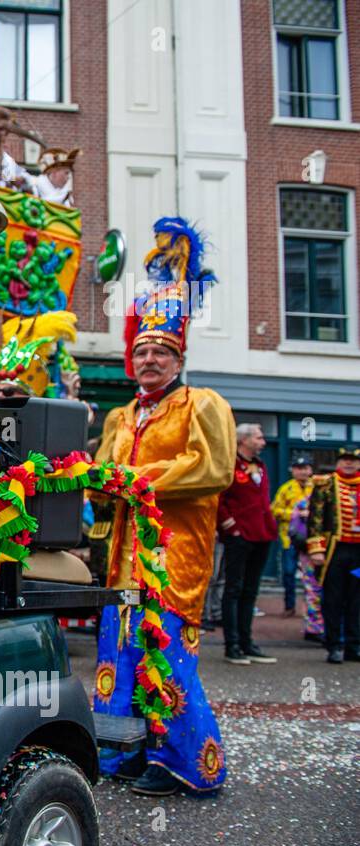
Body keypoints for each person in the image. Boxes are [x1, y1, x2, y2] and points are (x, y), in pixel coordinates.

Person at [93, 217, 234, 797]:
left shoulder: (203, 404)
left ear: (177, 358)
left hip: (173, 564)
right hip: (120, 566)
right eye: (142, 350)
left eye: (160, 351)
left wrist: (136, 479)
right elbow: (104, 479)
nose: (148, 359)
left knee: (168, 663)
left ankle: (180, 762)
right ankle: (122, 751)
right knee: (116, 664)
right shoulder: (120, 416)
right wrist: (102, 482)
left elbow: (213, 469)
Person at [216, 424, 278, 664]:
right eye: (259, 437)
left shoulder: (260, 466)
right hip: (240, 536)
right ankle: (232, 645)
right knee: (233, 589)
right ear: (244, 440)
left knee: (251, 591)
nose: (263, 441)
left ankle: (247, 641)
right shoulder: (230, 465)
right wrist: (232, 527)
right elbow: (219, 499)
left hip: (262, 534)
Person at [307, 447, 360, 664]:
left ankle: (353, 645)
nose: (349, 464)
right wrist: (317, 549)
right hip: (334, 553)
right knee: (333, 598)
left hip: (358, 553)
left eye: (353, 461)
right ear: (338, 463)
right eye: (345, 460)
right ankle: (334, 645)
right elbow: (316, 518)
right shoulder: (326, 484)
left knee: (356, 598)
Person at [271, 456, 314, 617]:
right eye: (298, 468)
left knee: (311, 575)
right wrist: (295, 514)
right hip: (289, 538)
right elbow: (274, 510)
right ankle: (289, 606)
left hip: (311, 540)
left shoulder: (316, 487)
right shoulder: (286, 488)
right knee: (288, 573)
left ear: (310, 470)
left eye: (305, 468)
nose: (302, 471)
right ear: (293, 470)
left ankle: (310, 608)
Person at [288, 494, 324, 643]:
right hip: (310, 553)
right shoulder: (305, 502)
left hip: (341, 553)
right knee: (314, 589)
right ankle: (314, 628)